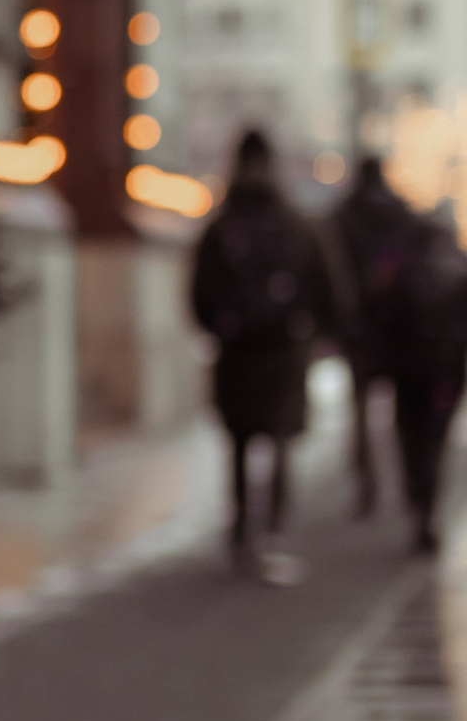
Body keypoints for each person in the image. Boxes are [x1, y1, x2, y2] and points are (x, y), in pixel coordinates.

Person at [190, 125, 344, 579]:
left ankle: (240, 533)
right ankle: (274, 534)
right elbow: (328, 286)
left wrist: (219, 329)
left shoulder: (222, 224)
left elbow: (198, 292)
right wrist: (316, 334)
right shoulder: (295, 223)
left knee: (238, 444)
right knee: (278, 442)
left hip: (236, 350)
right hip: (284, 349)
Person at [330, 151, 417, 515]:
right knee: (402, 407)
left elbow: (333, 274)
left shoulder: (342, 216)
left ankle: (366, 484)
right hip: (398, 327)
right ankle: (406, 481)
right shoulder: (402, 214)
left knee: (360, 407)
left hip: (358, 328)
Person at [379, 202, 467, 553]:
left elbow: (385, 322)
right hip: (445, 375)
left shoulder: (403, 272)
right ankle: (426, 509)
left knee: (411, 439)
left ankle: (418, 498)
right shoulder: (459, 271)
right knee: (436, 442)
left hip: (408, 373)